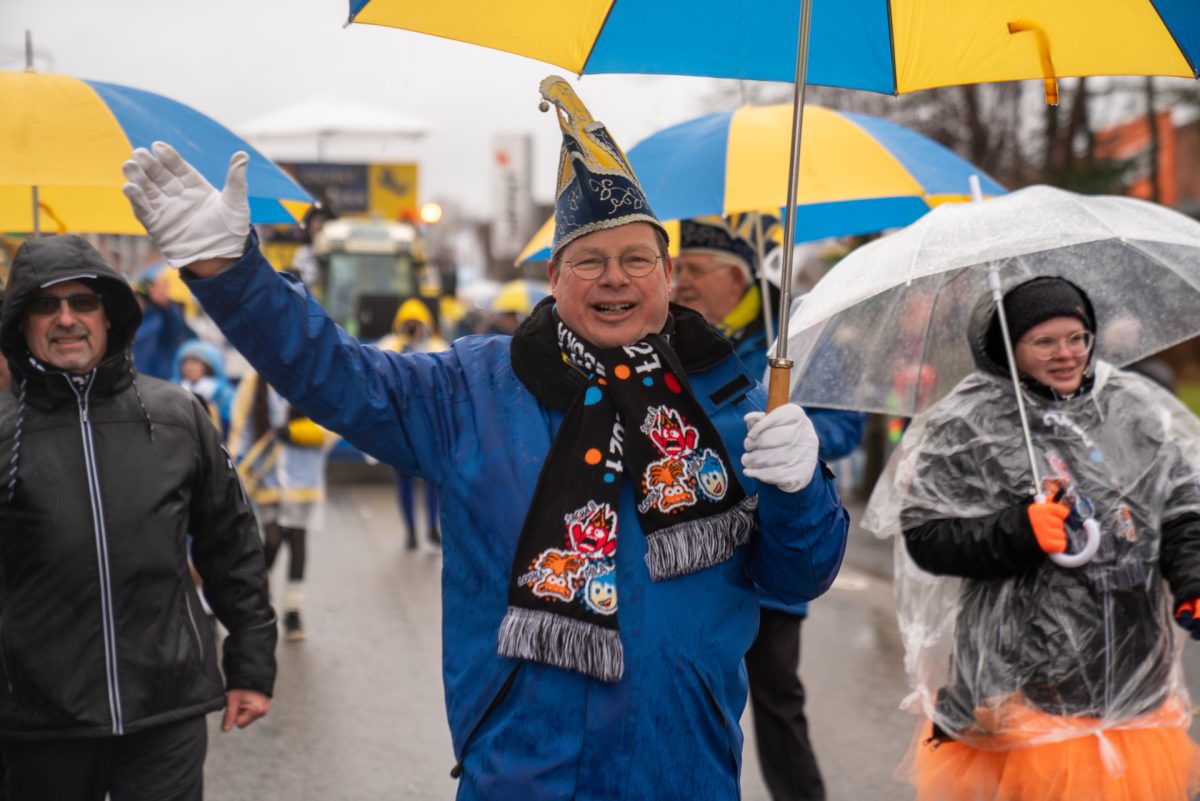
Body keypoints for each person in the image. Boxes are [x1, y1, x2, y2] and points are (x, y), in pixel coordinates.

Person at [122, 74, 848, 800]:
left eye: (636, 259)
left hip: (681, 772)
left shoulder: (731, 402)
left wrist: (800, 487)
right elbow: (335, 374)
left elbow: (794, 576)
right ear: (555, 280)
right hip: (522, 772)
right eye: (589, 261)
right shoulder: (474, 388)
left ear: (665, 278)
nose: (614, 278)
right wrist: (232, 274)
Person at [865, 276, 1200, 801]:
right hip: (1023, 682)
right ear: (1009, 347)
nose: (1067, 354)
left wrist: (1193, 581)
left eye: (1078, 337)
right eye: (1045, 341)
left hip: (1134, 680)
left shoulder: (1132, 409)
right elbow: (927, 536)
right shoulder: (966, 423)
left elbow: (1183, 508)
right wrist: (1019, 530)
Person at [0, 235, 276, 801]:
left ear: (111, 314)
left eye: (83, 303)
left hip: (164, 710)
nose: (66, 319)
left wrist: (250, 662)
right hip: (37, 720)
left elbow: (230, 542)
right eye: (45, 305)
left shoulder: (176, 415)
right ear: (20, 323)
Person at [674, 215, 865, 801]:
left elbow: (845, 425)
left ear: (737, 279)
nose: (679, 281)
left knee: (777, 700)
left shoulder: (796, 339)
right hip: (690, 556)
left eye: (695, 270)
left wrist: (793, 439)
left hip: (772, 555)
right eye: (675, 268)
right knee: (689, 698)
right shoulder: (663, 337)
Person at [229, 370, 329, 642]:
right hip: (265, 474)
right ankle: (260, 592)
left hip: (302, 476)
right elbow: (240, 425)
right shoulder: (254, 379)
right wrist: (237, 465)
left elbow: (334, 423)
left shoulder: (311, 374)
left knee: (298, 538)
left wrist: (298, 431)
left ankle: (292, 612)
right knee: (271, 539)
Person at [379, 298, 448, 550]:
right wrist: (403, 342)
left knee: (432, 481)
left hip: (431, 428)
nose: (413, 329)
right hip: (403, 428)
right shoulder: (392, 345)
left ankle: (432, 527)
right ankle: (410, 530)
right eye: (407, 324)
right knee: (404, 480)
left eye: (416, 324)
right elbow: (380, 367)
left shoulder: (437, 346)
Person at [131, 261, 197, 380]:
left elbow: (180, 332)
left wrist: (167, 307)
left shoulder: (161, 320)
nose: (136, 302)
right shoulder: (131, 324)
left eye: (139, 297)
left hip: (159, 385)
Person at [174, 337, 235, 435]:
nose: (188, 367)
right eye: (185, 363)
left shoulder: (225, 394)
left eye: (195, 362)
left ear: (208, 366)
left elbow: (236, 426)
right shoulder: (172, 392)